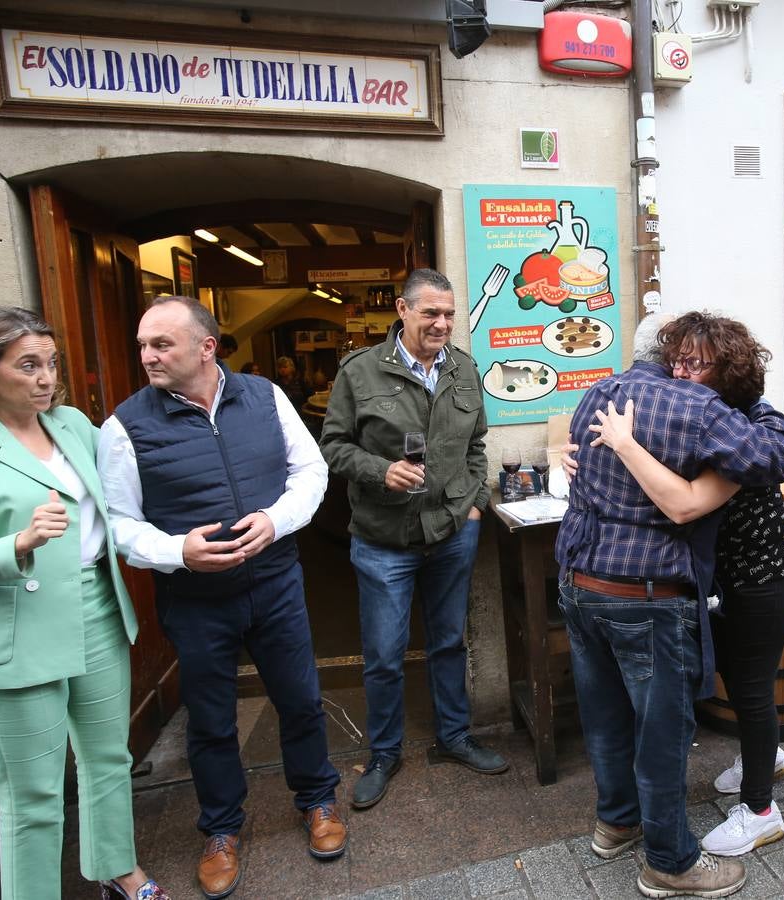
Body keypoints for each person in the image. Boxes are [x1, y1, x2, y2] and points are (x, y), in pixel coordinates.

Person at [97, 296, 342, 899]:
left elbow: (310, 471)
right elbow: (119, 524)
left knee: (301, 698)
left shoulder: (264, 396)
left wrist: (277, 521)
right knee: (209, 720)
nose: (148, 356)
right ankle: (222, 830)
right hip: (196, 599)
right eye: (143, 346)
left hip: (275, 580)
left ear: (206, 347)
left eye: (162, 344)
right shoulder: (124, 427)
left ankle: (317, 800)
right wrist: (179, 551)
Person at [556, 313, 784, 899]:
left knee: (607, 719)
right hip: (645, 594)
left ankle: (616, 824)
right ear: (665, 355)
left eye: (697, 361)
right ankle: (670, 861)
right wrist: (760, 412)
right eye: (681, 358)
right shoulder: (701, 412)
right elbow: (775, 461)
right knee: (662, 732)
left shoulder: (599, 391)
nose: (685, 369)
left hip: (581, 584)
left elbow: (577, 455)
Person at [0, 307, 168, 900]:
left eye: (52, 363)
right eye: (28, 365)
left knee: (108, 760)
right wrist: (18, 543)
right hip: (13, 628)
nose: (46, 378)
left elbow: (120, 502)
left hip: (96, 611)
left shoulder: (72, 425)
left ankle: (118, 870)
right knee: (32, 793)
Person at [319, 268, 507, 815]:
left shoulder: (464, 370)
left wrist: (473, 506)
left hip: (452, 533)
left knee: (450, 642)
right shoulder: (359, 372)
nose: (442, 323)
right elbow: (331, 446)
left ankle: (455, 737)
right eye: (431, 313)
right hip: (384, 539)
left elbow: (477, 444)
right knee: (382, 654)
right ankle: (383, 754)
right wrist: (380, 470)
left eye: (449, 314)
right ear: (402, 311)